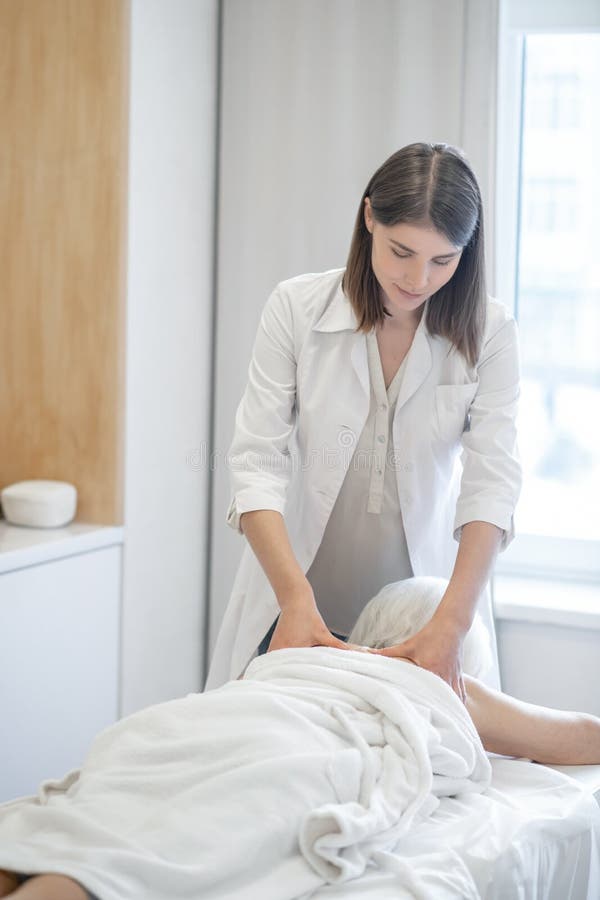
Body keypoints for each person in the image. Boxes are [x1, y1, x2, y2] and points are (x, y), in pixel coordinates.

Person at [2, 576, 600, 900]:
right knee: (147, 852)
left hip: (199, 723)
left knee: (87, 818)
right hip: (285, 750)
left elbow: (242, 696)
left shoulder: (306, 653)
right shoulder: (438, 681)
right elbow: (576, 738)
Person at [206, 142, 522, 699]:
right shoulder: (296, 309)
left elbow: (492, 484)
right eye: (402, 251)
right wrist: (295, 602)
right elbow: (255, 464)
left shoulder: (490, 332)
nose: (419, 279)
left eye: (443, 260)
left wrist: (450, 625)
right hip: (296, 607)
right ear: (369, 215)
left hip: (422, 621)